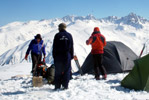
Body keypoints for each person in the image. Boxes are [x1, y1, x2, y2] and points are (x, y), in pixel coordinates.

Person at [52, 23, 74, 90]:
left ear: (60, 28)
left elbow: (54, 47)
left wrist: (54, 56)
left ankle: (57, 86)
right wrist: (71, 56)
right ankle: (65, 86)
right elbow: (71, 47)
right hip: (67, 55)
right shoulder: (69, 35)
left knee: (58, 70)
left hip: (58, 55)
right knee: (67, 70)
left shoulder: (57, 35)